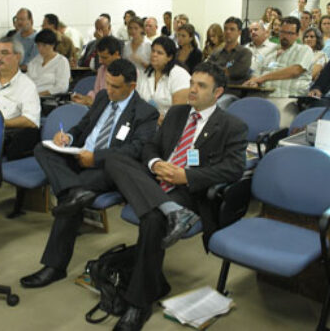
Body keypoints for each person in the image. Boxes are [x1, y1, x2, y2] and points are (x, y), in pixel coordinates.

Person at [102, 61, 248, 331]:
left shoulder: (231, 125)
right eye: (191, 83)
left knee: (152, 220)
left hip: (187, 190)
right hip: (156, 180)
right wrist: (156, 163)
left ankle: (138, 305)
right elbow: (150, 146)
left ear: (217, 93)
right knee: (113, 158)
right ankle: (170, 213)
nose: (192, 90)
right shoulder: (176, 113)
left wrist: (187, 176)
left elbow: (234, 168)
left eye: (201, 86)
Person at [19, 59, 159, 289]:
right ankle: (72, 191)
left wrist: (96, 158)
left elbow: (135, 151)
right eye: (108, 84)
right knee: (42, 148)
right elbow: (83, 127)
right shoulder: (103, 98)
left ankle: (54, 266)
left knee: (71, 198)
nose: (109, 90)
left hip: (108, 168)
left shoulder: (145, 113)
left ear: (131, 86)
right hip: (80, 155)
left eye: (116, 87)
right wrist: (68, 139)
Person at [244, 16, 313, 127]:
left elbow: (295, 70)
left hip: (285, 98)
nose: (285, 36)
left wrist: (262, 78)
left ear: (297, 35)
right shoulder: (270, 51)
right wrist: (253, 81)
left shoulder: (304, 50)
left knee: (274, 130)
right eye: (283, 32)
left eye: (290, 33)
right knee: (241, 122)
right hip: (262, 96)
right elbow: (256, 72)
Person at [136, 36, 190, 124]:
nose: (154, 55)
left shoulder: (179, 75)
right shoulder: (145, 73)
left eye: (159, 53)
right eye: (153, 51)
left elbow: (178, 113)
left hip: (170, 124)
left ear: (169, 57)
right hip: (145, 121)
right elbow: (137, 101)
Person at [208, 17, 252, 107]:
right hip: (213, 91)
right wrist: (223, 70)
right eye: (226, 29)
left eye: (232, 29)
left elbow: (236, 72)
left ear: (239, 32)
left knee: (216, 106)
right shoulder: (216, 53)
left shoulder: (244, 53)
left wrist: (217, 70)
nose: (228, 32)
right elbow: (207, 71)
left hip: (232, 92)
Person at [72, 36, 122, 106]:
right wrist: (86, 98)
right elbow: (96, 93)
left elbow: (120, 102)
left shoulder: (129, 72)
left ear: (116, 54)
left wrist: (93, 102)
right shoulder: (102, 69)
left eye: (104, 57)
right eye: (99, 57)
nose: (100, 61)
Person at [27, 29, 70, 96]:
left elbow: (62, 87)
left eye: (44, 45)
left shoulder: (61, 61)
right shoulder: (33, 62)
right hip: (31, 96)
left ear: (52, 45)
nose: (40, 48)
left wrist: (40, 94)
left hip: (50, 99)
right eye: (38, 45)